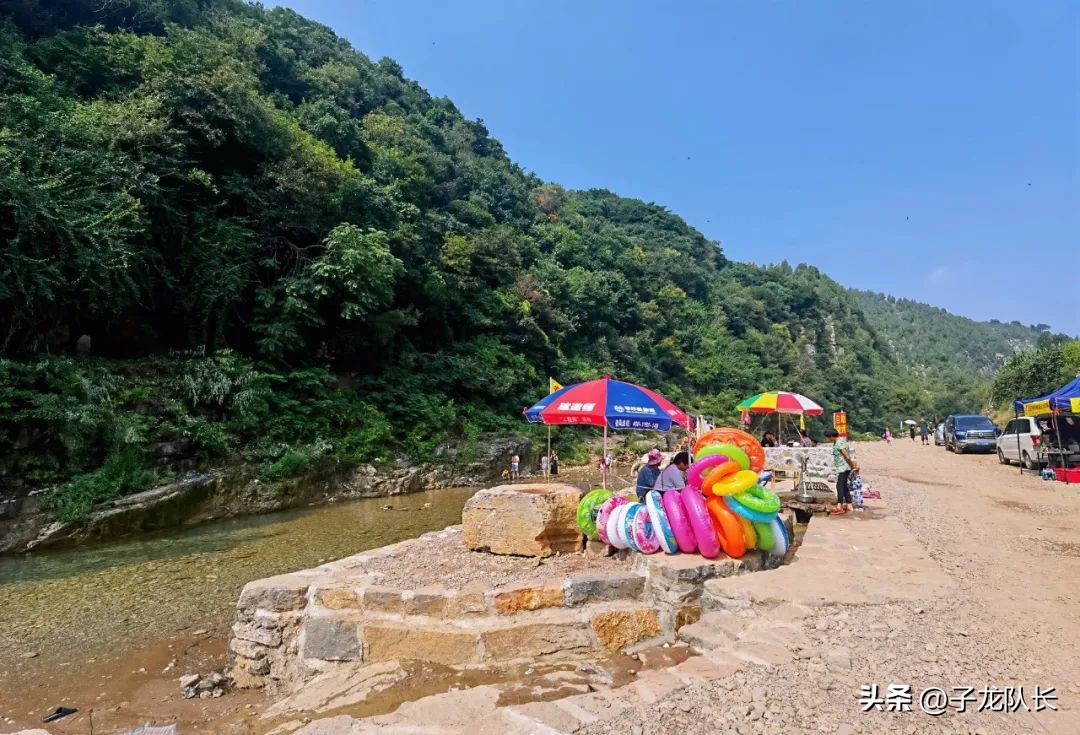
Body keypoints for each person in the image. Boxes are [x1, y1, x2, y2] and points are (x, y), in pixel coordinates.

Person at [826, 428, 858, 515]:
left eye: (828, 437)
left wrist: (852, 465)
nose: (828, 439)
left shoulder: (839, 442)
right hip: (844, 467)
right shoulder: (840, 441)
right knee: (844, 486)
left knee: (839, 485)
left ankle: (839, 506)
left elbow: (846, 456)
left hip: (843, 468)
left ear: (832, 436)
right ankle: (849, 505)